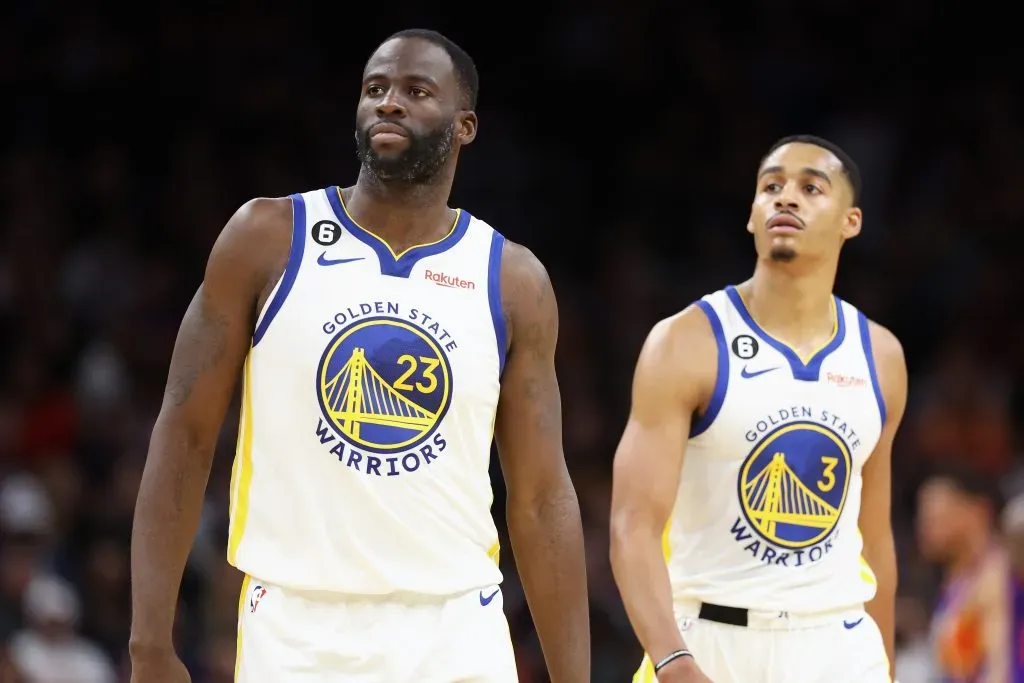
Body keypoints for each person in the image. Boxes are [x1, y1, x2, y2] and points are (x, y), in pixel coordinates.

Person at [128, 28, 589, 683]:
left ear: (465, 127)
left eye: (416, 91)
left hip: (456, 625)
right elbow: (184, 431)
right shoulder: (267, 239)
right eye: (376, 88)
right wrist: (150, 640)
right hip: (295, 626)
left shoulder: (512, 280)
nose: (389, 103)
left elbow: (542, 497)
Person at [609, 135, 907, 683]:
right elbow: (632, 524)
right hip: (707, 640)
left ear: (852, 221)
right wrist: (672, 661)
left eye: (810, 188)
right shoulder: (685, 341)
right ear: (751, 216)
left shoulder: (881, 356)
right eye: (771, 187)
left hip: (837, 644)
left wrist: (884, 666)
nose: (785, 198)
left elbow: (876, 540)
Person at [917, 465, 1011, 682]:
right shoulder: (958, 578)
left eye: (936, 518)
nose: (924, 528)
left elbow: (999, 668)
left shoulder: (996, 576)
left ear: (978, 511)